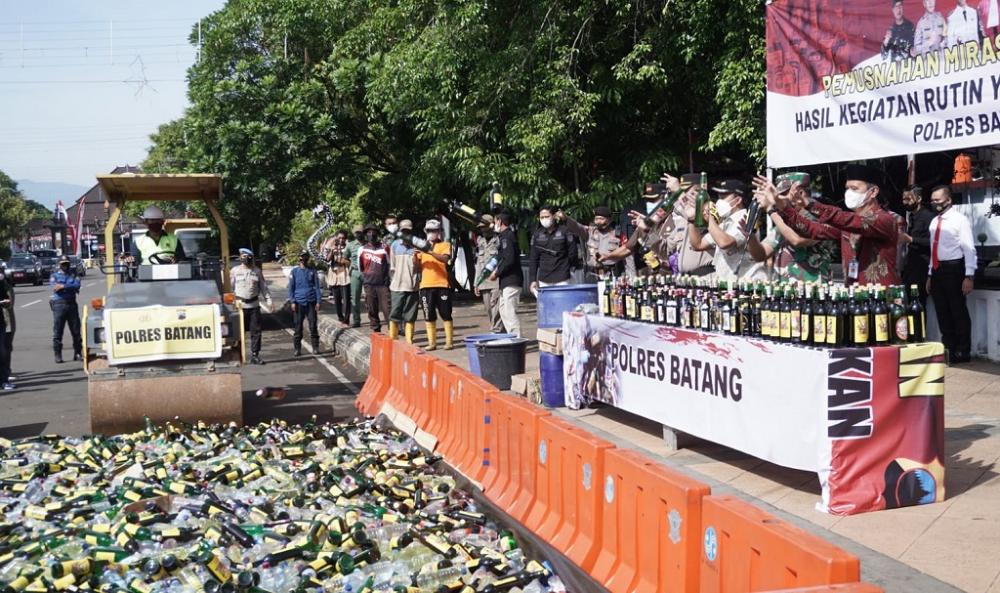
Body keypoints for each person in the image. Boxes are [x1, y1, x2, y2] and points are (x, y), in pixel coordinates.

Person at [756, 164, 900, 285]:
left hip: (883, 299)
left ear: (873, 192)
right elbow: (812, 229)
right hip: (854, 297)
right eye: (847, 188)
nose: (849, 193)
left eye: (855, 189)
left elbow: (849, 221)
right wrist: (781, 206)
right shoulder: (847, 224)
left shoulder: (885, 220)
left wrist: (810, 205)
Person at [748, 172, 836, 282]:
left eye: (782, 194)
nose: (777, 199)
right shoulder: (785, 219)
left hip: (812, 290)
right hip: (786, 291)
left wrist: (771, 210)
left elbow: (796, 239)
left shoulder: (819, 215)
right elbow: (761, 255)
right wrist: (750, 235)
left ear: (800, 192)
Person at [927, 185, 976, 363]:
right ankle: (949, 349)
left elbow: (969, 248)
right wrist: (930, 274)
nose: (934, 203)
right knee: (942, 311)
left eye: (938, 200)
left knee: (958, 311)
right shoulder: (934, 222)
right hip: (938, 271)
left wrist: (969, 276)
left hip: (955, 268)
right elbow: (934, 249)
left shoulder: (959, 220)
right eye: (932, 200)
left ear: (948, 200)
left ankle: (963, 351)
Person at [684, 179, 768, 282]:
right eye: (719, 197)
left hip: (747, 282)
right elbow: (698, 244)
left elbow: (725, 242)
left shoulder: (746, 219)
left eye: (724, 197)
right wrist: (691, 219)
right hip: (727, 282)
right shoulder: (724, 222)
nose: (719, 201)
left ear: (738, 200)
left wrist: (709, 217)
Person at [416, 219, 454, 350]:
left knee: (445, 313)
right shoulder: (421, 247)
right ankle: (432, 342)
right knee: (429, 314)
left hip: (442, 284)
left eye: (434, 231)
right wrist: (414, 256)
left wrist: (430, 251)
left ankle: (449, 341)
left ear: (439, 232)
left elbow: (445, 259)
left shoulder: (445, 245)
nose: (431, 233)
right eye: (429, 231)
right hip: (426, 285)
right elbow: (417, 267)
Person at [559, 206, 625, 282]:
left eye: (601, 219)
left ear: (609, 220)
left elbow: (627, 254)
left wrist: (631, 276)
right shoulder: (590, 232)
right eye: (597, 219)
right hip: (592, 275)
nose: (599, 221)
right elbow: (577, 227)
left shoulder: (618, 234)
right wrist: (566, 218)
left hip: (612, 275)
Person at [231, 248, 273, 365]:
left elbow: (264, 287)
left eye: (248, 257)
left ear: (251, 258)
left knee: (256, 331)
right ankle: (238, 355)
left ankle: (255, 355)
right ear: (240, 257)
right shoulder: (235, 271)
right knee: (239, 332)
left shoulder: (257, 271)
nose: (246, 259)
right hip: (240, 306)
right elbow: (230, 288)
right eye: (243, 256)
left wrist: (269, 301)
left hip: (254, 305)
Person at [490, 212, 524, 337]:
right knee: (503, 310)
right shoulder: (503, 237)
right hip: (506, 282)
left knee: (509, 312)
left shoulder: (507, 237)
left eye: (495, 221)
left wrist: (497, 273)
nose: (494, 225)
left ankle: (517, 339)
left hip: (512, 280)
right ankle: (512, 336)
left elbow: (509, 259)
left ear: (500, 221)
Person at [901, 185, 934, 307]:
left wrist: (911, 239)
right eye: (904, 199)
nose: (905, 202)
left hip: (923, 267)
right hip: (910, 266)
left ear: (918, 198)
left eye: (908, 199)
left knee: (919, 304)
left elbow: (933, 242)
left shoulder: (928, 216)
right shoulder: (910, 216)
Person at [529, 205, 573, 297]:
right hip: (544, 279)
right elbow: (533, 258)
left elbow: (572, 253)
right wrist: (533, 280)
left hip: (562, 278)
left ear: (554, 216)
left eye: (547, 216)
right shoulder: (537, 234)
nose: (544, 219)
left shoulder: (565, 231)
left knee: (563, 306)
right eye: (542, 217)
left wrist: (570, 269)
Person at [388, 220, 420, 342]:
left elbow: (419, 267)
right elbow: (392, 266)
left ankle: (409, 340)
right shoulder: (395, 245)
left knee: (410, 315)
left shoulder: (417, 245)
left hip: (412, 286)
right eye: (403, 231)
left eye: (408, 231)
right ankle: (393, 338)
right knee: (395, 313)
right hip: (397, 285)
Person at [287, 251, 322, 356]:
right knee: (298, 327)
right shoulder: (294, 272)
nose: (303, 259)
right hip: (298, 302)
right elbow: (291, 288)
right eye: (302, 257)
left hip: (311, 301)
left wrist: (319, 301)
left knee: (313, 325)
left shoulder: (312, 271)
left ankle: (315, 347)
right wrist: (292, 301)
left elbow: (317, 287)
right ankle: (297, 349)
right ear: (299, 259)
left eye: (305, 257)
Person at [474, 214, 504, 333]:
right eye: (481, 227)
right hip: (484, 281)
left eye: (485, 227)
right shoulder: (480, 241)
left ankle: (496, 331)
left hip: (496, 279)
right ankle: (499, 330)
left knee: (496, 307)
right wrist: (476, 282)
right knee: (488, 309)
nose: (483, 230)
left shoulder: (498, 239)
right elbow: (478, 263)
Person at [50, 255, 83, 364]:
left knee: (76, 330)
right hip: (59, 304)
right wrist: (69, 286)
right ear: (59, 264)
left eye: (67, 263)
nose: (65, 265)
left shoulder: (73, 274)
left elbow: (77, 285)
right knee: (58, 331)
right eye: (63, 263)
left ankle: (78, 353)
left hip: (71, 303)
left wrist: (63, 286)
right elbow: (54, 287)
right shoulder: (54, 275)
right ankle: (57, 354)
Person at [359, 224, 391, 332]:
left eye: (374, 232)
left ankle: (393, 329)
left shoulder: (384, 247)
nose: (371, 234)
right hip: (369, 284)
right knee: (372, 308)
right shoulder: (362, 249)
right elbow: (361, 268)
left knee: (387, 308)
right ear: (365, 234)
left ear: (377, 234)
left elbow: (389, 264)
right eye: (368, 232)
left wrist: (388, 278)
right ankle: (376, 329)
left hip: (383, 284)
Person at [323, 229, 352, 324]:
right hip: (334, 274)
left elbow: (350, 262)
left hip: (344, 274)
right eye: (339, 238)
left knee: (346, 299)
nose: (341, 240)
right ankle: (340, 317)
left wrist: (343, 260)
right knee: (337, 299)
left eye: (343, 238)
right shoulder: (332, 247)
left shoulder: (348, 248)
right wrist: (332, 250)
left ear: (346, 239)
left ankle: (346, 320)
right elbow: (327, 260)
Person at [345, 224, 365, 328]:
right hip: (355, 273)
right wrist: (351, 265)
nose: (358, 234)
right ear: (354, 233)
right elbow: (345, 258)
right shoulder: (350, 245)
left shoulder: (368, 244)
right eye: (356, 232)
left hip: (367, 272)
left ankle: (374, 319)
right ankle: (357, 320)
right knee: (355, 298)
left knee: (370, 298)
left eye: (360, 232)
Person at [0, 263, 14, 389]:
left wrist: (5, 301)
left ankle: (4, 380)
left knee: (3, 351)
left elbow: (6, 296)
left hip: (1, 321)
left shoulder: (2, 281)